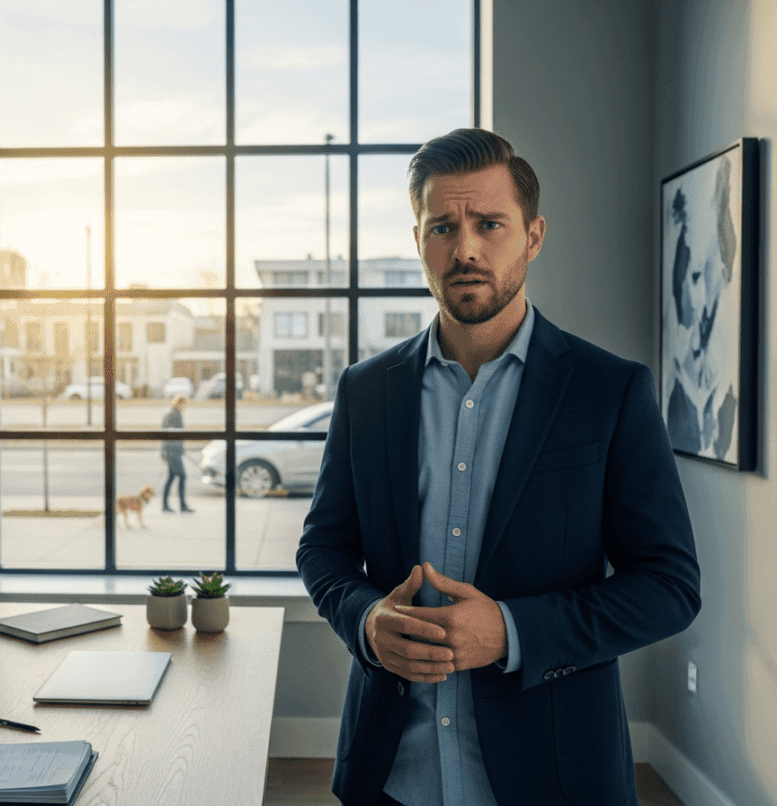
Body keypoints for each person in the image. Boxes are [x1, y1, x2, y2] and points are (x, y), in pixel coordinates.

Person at [295, 128, 700, 806]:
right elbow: (323, 548)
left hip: (557, 779)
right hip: (389, 777)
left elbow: (668, 586)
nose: (465, 249)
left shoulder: (610, 390)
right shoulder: (364, 391)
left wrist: (511, 632)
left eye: (489, 224)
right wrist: (365, 621)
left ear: (532, 235)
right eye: (441, 227)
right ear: (418, 239)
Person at [160, 394, 193, 513]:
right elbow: (171, 435)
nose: (184, 406)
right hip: (173, 452)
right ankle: (182, 505)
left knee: (171, 477)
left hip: (172, 451)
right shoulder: (174, 416)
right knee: (182, 476)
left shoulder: (173, 415)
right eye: (182, 403)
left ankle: (165, 505)